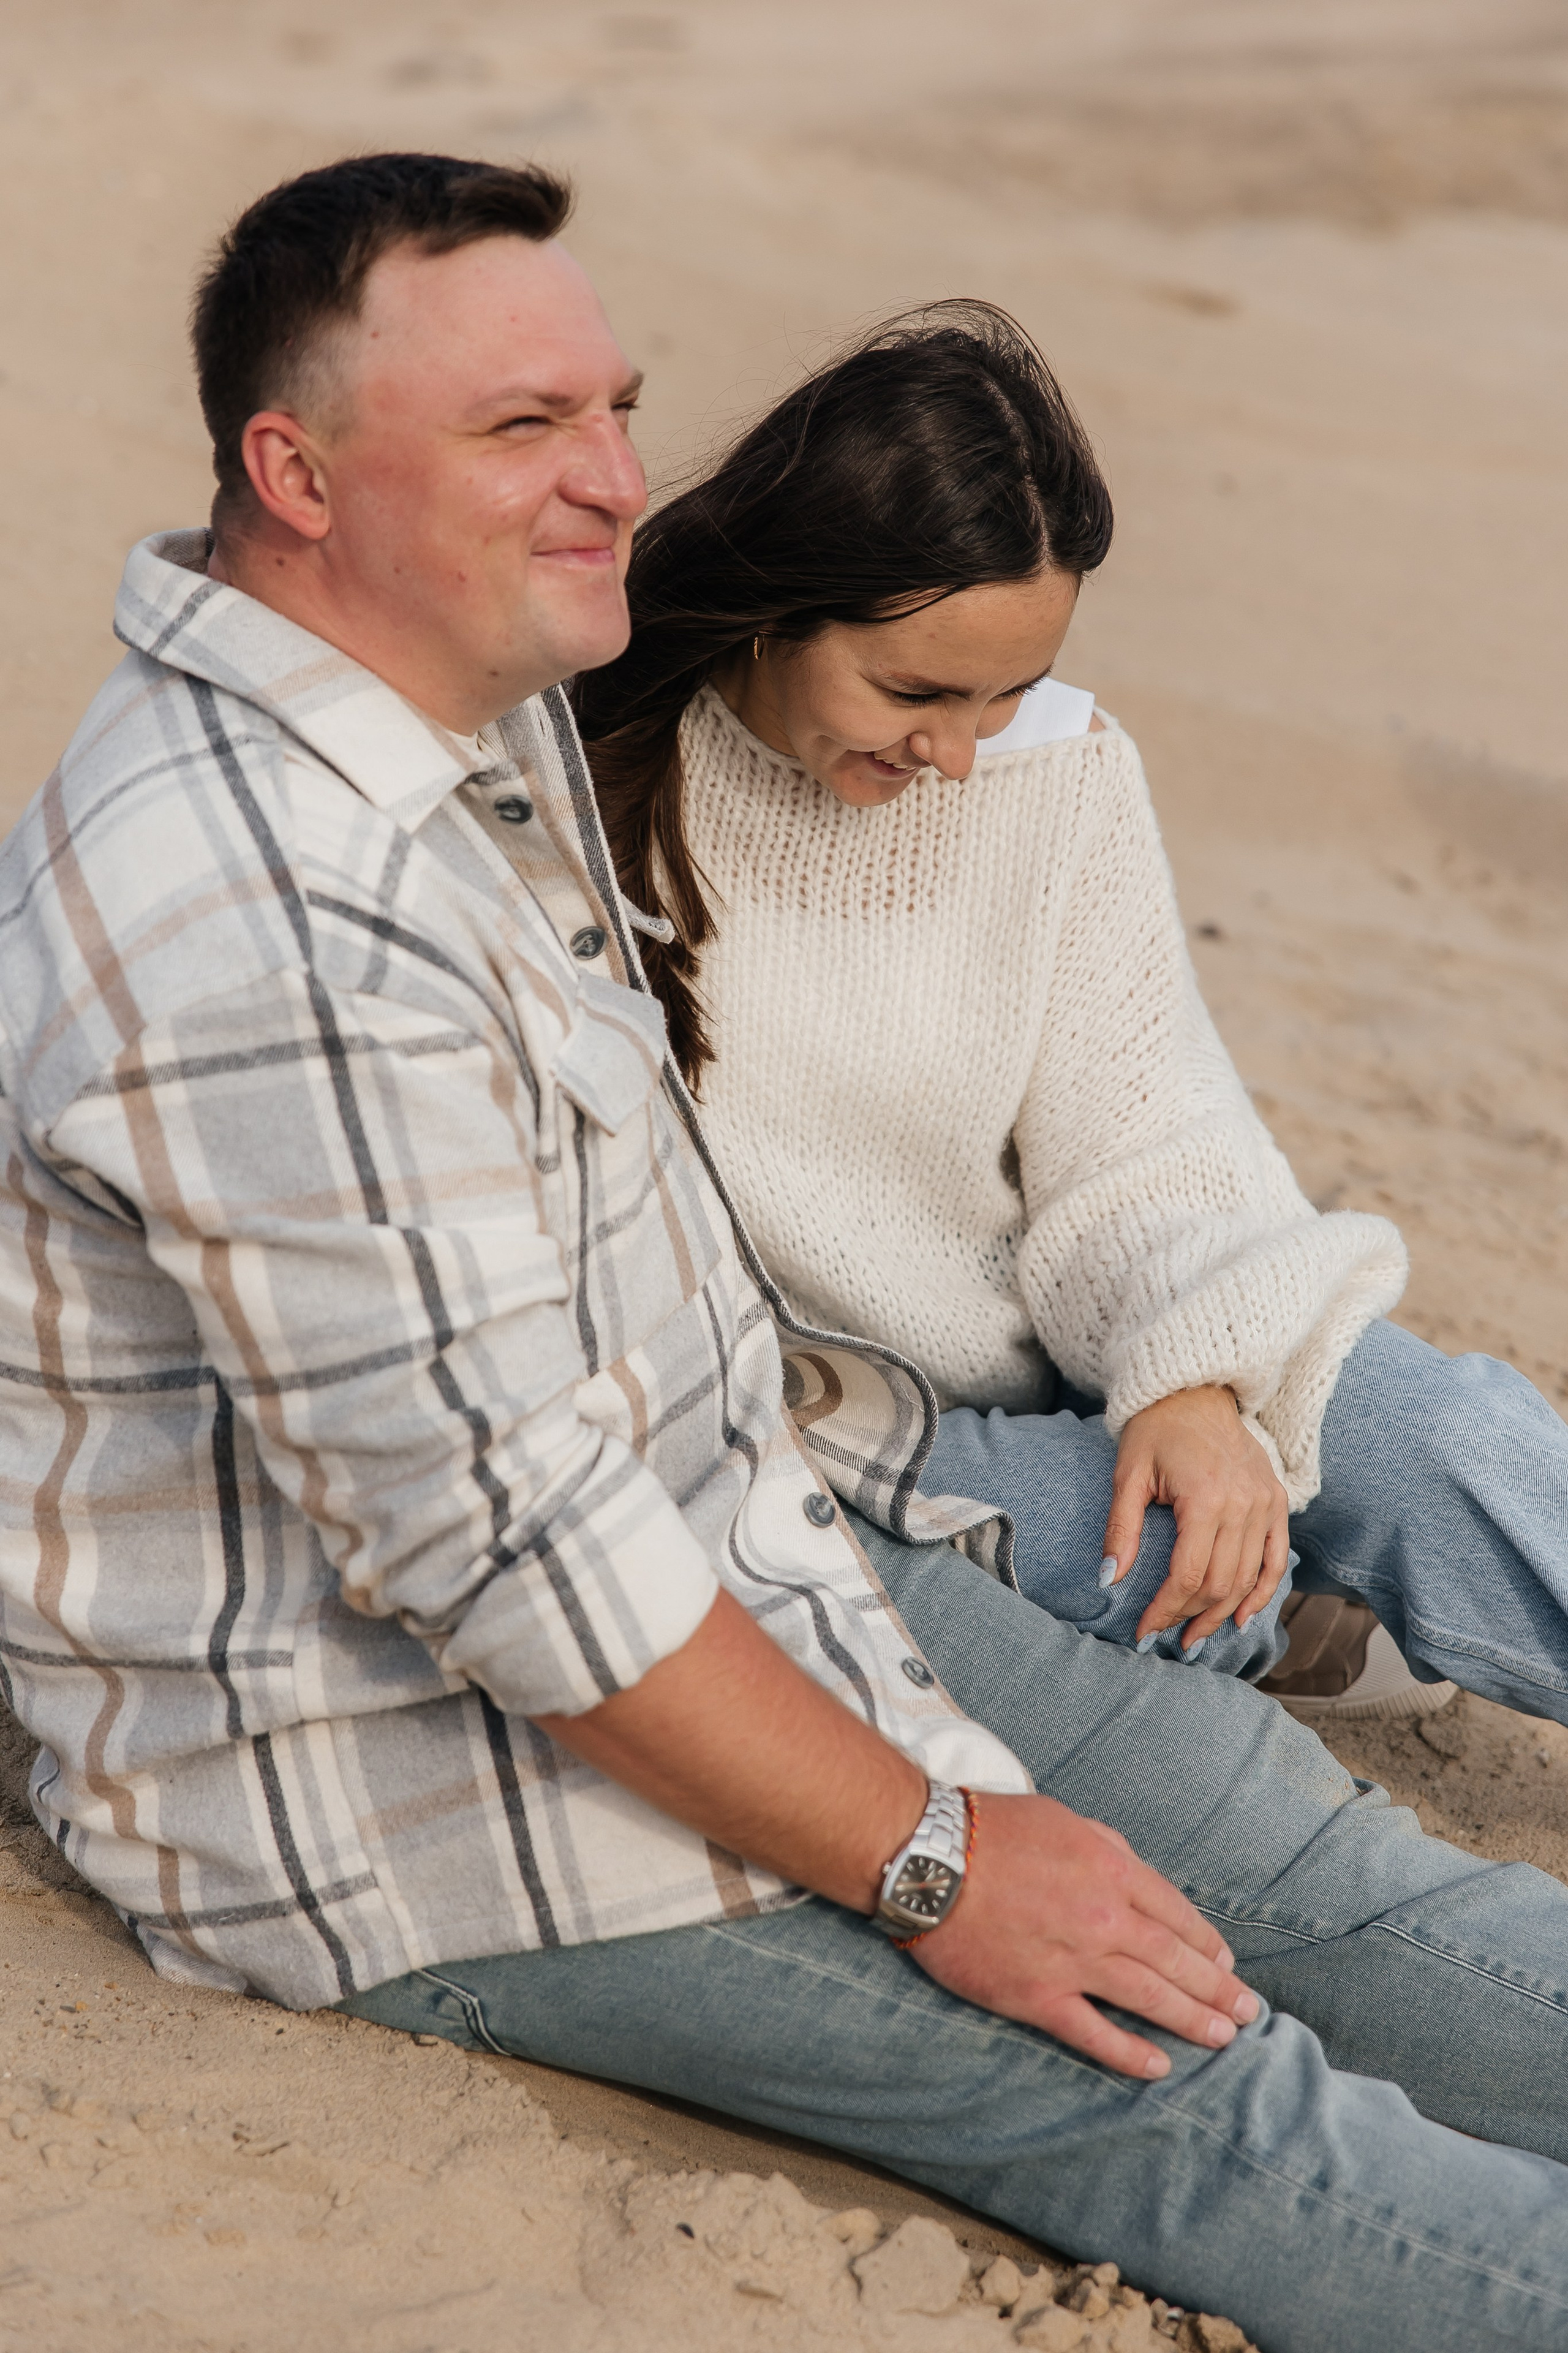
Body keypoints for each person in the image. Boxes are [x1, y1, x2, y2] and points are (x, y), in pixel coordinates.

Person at [4, 153, 1568, 2353]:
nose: (620, 481)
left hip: (756, 1549)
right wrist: (937, 1852)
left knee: (1312, 1869)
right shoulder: (270, 915)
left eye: (617, 410)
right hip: (414, 1787)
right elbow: (513, 1556)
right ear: (297, 468)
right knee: (1203, 2090)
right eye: (521, 429)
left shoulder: (459, 713)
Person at [575, 302, 1568, 1735]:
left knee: (1442, 1438)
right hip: (828, 1423)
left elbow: (1140, 1142)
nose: (961, 757)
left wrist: (1192, 1383)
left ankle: (1323, 1582)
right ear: (770, 602)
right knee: (1181, 1572)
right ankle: (1303, 1607)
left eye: (1007, 694)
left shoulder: (1064, 774)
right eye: (911, 691)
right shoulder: (573, 783)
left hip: (1071, 1349)